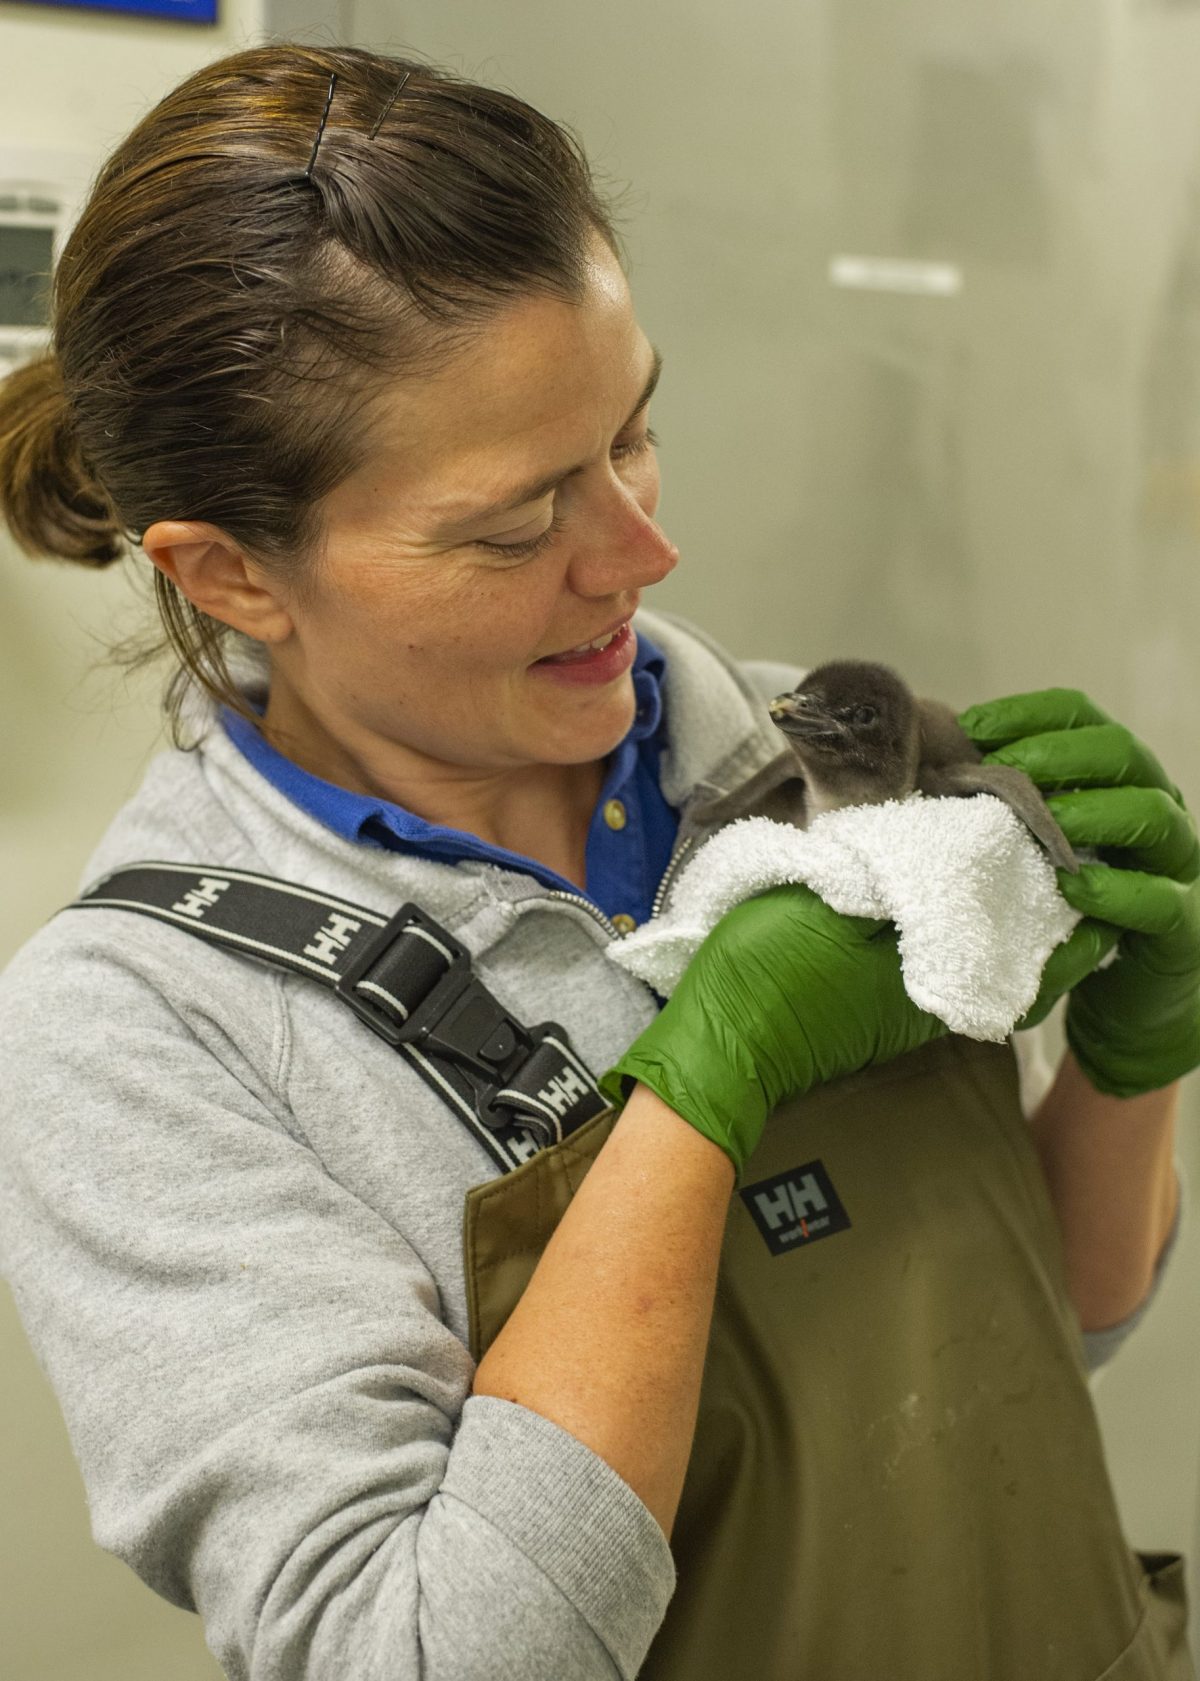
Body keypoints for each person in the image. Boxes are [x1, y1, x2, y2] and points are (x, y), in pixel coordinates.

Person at [0, 41, 1196, 1681]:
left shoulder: (825, 767)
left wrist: (1131, 1064)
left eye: (634, 435)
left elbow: (1026, 1341)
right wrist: (699, 1094)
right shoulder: (140, 1032)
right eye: (516, 522)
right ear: (233, 575)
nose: (643, 551)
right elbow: (425, 1654)